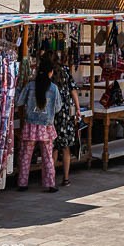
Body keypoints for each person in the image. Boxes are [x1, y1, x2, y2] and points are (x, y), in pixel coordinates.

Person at [16, 56, 62, 191]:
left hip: (30, 125)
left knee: (25, 155)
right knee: (47, 156)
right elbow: (58, 107)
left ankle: (22, 183)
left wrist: (18, 88)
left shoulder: (30, 86)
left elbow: (19, 101)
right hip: (46, 126)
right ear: (50, 72)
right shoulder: (53, 88)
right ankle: (50, 184)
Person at [51, 53, 81, 186]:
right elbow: (73, 90)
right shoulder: (66, 71)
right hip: (65, 113)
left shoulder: (48, 73)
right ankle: (66, 178)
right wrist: (78, 108)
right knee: (65, 147)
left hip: (52, 113)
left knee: (53, 148)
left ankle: (50, 179)